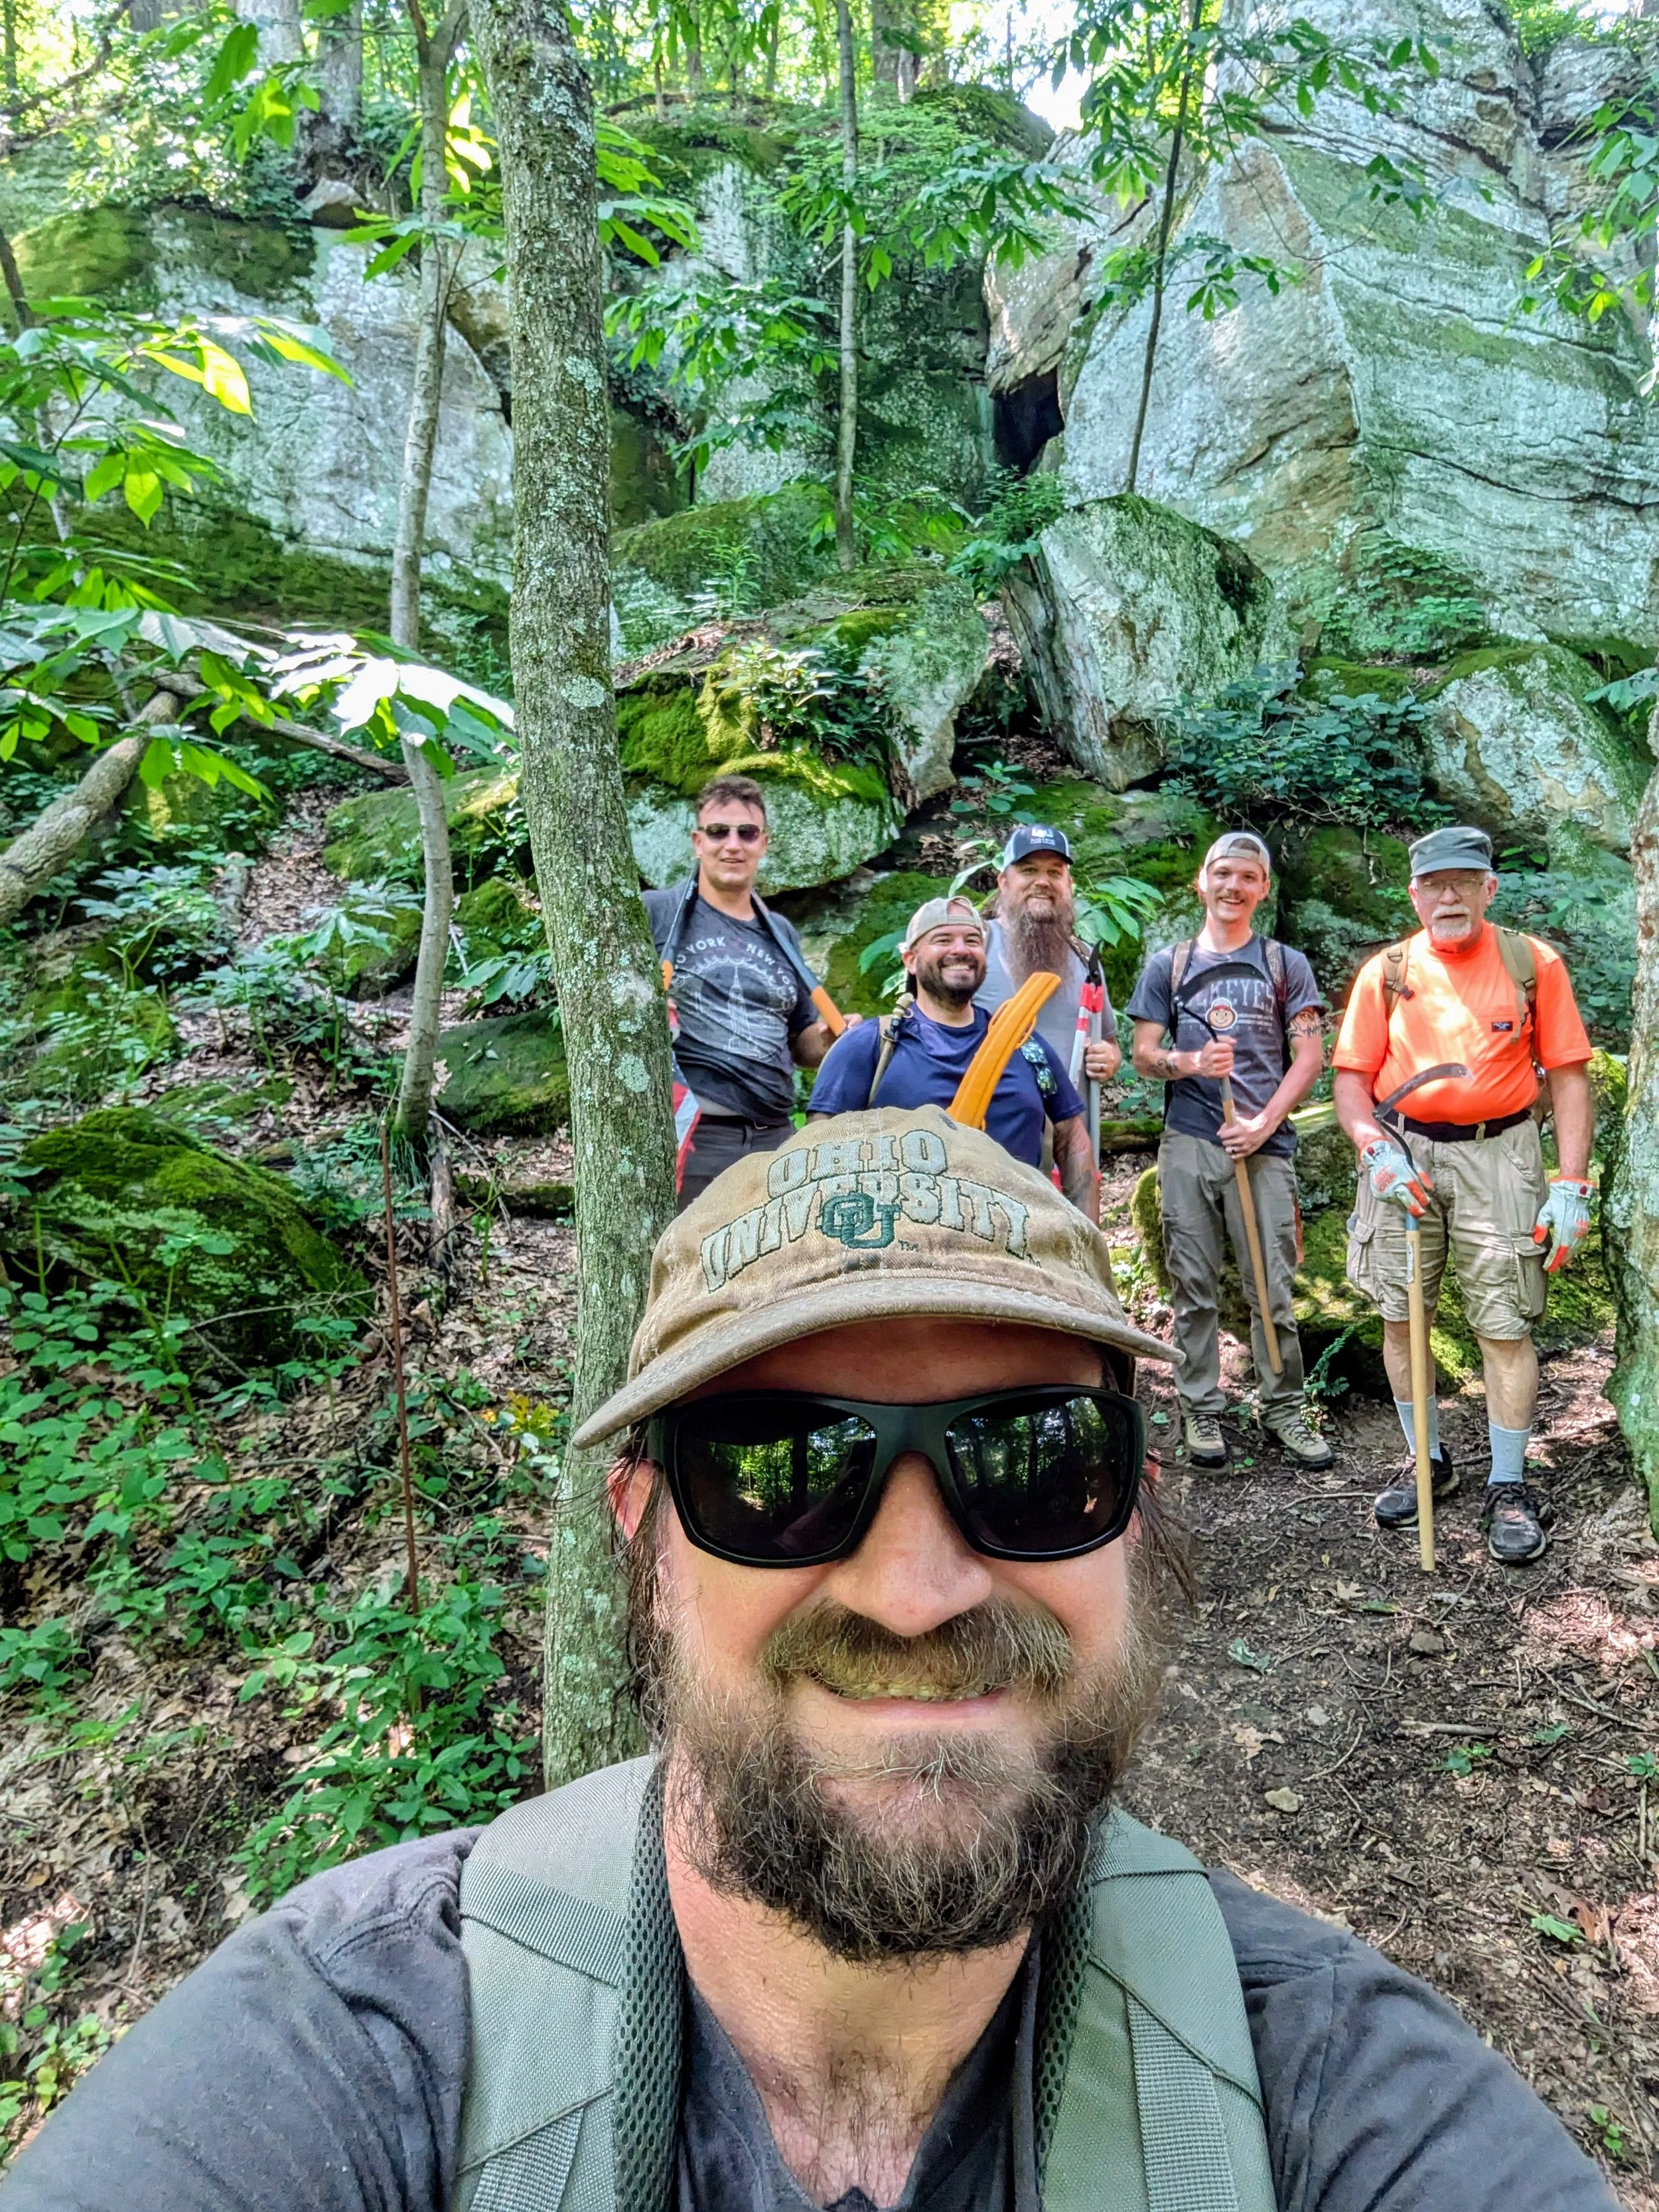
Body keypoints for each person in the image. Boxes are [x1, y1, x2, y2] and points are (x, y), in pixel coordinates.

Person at [8, 1106, 1620, 2212]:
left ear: (1132, 1510)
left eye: (1033, 1455)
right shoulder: (365, 2055)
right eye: (779, 1470)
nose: (917, 1589)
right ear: (643, 1535)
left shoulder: (1324, 2088)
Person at [1333, 824, 1595, 1565]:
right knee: (1398, 1314)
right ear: (1413, 894)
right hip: (1401, 1155)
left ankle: (1508, 1485)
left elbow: (1569, 1075)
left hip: (1501, 1156)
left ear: (1489, 887)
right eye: (1433, 884)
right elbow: (1351, 1084)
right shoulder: (1384, 972)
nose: (1448, 895)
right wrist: (1374, 1148)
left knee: (1504, 1323)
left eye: (1462, 881)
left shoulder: (1530, 963)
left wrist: (1570, 1186)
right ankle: (1428, 1462)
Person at [1127, 830, 1331, 1471]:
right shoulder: (1171, 965)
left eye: (1247, 876)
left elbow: (1310, 1056)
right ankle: (1201, 1408)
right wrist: (1188, 1060)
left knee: (1270, 1282)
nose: (1233, 886)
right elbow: (1142, 1054)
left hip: (1263, 1146)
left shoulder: (1284, 965)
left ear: (1263, 889)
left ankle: (1283, 1407)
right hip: (1189, 1140)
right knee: (1193, 1283)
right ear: (1202, 880)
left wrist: (1266, 1122)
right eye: (1222, 873)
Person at [808, 894, 1098, 1217]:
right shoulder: (871, 1045)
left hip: (1019, 1245)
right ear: (911, 961)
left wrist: (1087, 1245)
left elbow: (1073, 1141)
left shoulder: (1026, 1045)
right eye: (943, 939)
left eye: (972, 940)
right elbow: (817, 1149)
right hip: (906, 1250)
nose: (960, 949)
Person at [644, 774, 858, 1209]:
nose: (733, 844)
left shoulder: (780, 932)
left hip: (778, 1141)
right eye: (719, 832)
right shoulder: (657, 913)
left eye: (747, 832)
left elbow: (801, 1043)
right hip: (698, 1141)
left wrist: (832, 1040)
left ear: (764, 843)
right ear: (697, 841)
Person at [975, 822, 1122, 1089]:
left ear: (1069, 885)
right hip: (990, 1127)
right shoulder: (976, 948)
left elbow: (1109, 1042)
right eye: (1029, 870)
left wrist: (1108, 1057)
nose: (1042, 882)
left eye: (1054, 872)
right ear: (1004, 882)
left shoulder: (1085, 958)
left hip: (1073, 1128)